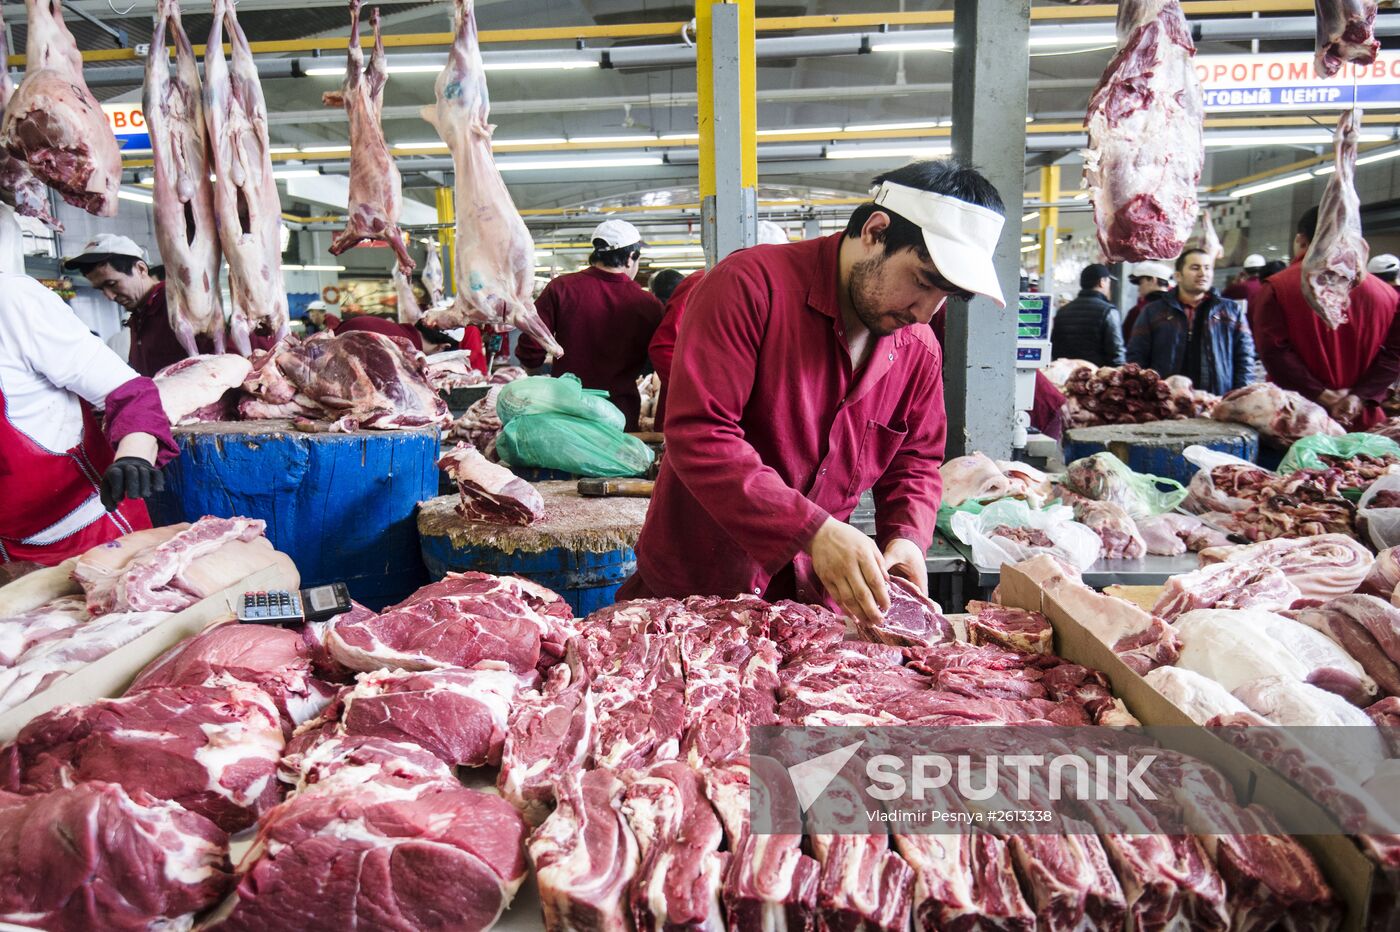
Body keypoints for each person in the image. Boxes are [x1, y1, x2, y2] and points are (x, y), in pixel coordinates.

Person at [618, 159, 1006, 626]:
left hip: (810, 607)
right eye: (921, 282)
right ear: (875, 231)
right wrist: (812, 530)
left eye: (944, 296)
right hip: (696, 595)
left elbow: (915, 460)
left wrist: (906, 536)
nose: (925, 312)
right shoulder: (750, 288)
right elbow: (702, 434)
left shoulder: (918, 349)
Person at [0, 272, 178, 565]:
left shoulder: (11, 301)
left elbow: (127, 392)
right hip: (7, 552)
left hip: (93, 530)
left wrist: (134, 457)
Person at [1252, 207, 1400, 430]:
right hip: (1361, 422)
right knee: (1365, 466)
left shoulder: (1278, 287)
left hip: (1295, 420)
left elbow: (1274, 352)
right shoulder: (1388, 294)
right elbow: (1395, 355)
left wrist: (1322, 394)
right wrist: (1358, 397)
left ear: (1301, 240)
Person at [516, 219, 663, 431]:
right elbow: (664, 359)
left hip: (566, 412)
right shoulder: (648, 304)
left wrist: (536, 377)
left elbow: (531, 346)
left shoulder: (561, 288)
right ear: (631, 258)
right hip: (619, 416)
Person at [648, 220, 792, 431]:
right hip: (702, 422)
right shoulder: (704, 282)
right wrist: (702, 398)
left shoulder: (781, 295)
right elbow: (663, 347)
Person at [63, 235, 206, 378]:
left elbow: (223, 359)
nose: (110, 297)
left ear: (141, 269)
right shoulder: (138, 316)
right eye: (101, 289)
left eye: (112, 284)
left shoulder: (180, 302)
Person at [1126, 246, 1254, 396]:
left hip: (1216, 401)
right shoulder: (1153, 311)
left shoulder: (1231, 311)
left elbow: (1244, 357)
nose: (1203, 273)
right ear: (1178, 276)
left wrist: (1239, 395)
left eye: (1207, 268)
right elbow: (1137, 356)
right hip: (1166, 401)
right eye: (1195, 268)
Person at [1049, 263, 1124, 367]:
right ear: (1102, 282)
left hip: (1067, 376)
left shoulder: (1063, 311)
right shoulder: (1108, 311)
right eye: (1108, 282)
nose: (1109, 287)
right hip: (1097, 378)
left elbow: (1055, 348)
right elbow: (1116, 353)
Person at [1121, 261, 1172, 338]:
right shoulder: (1178, 308)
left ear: (1153, 280)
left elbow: (1126, 340)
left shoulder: (1138, 311)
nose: (1139, 289)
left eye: (1141, 283)